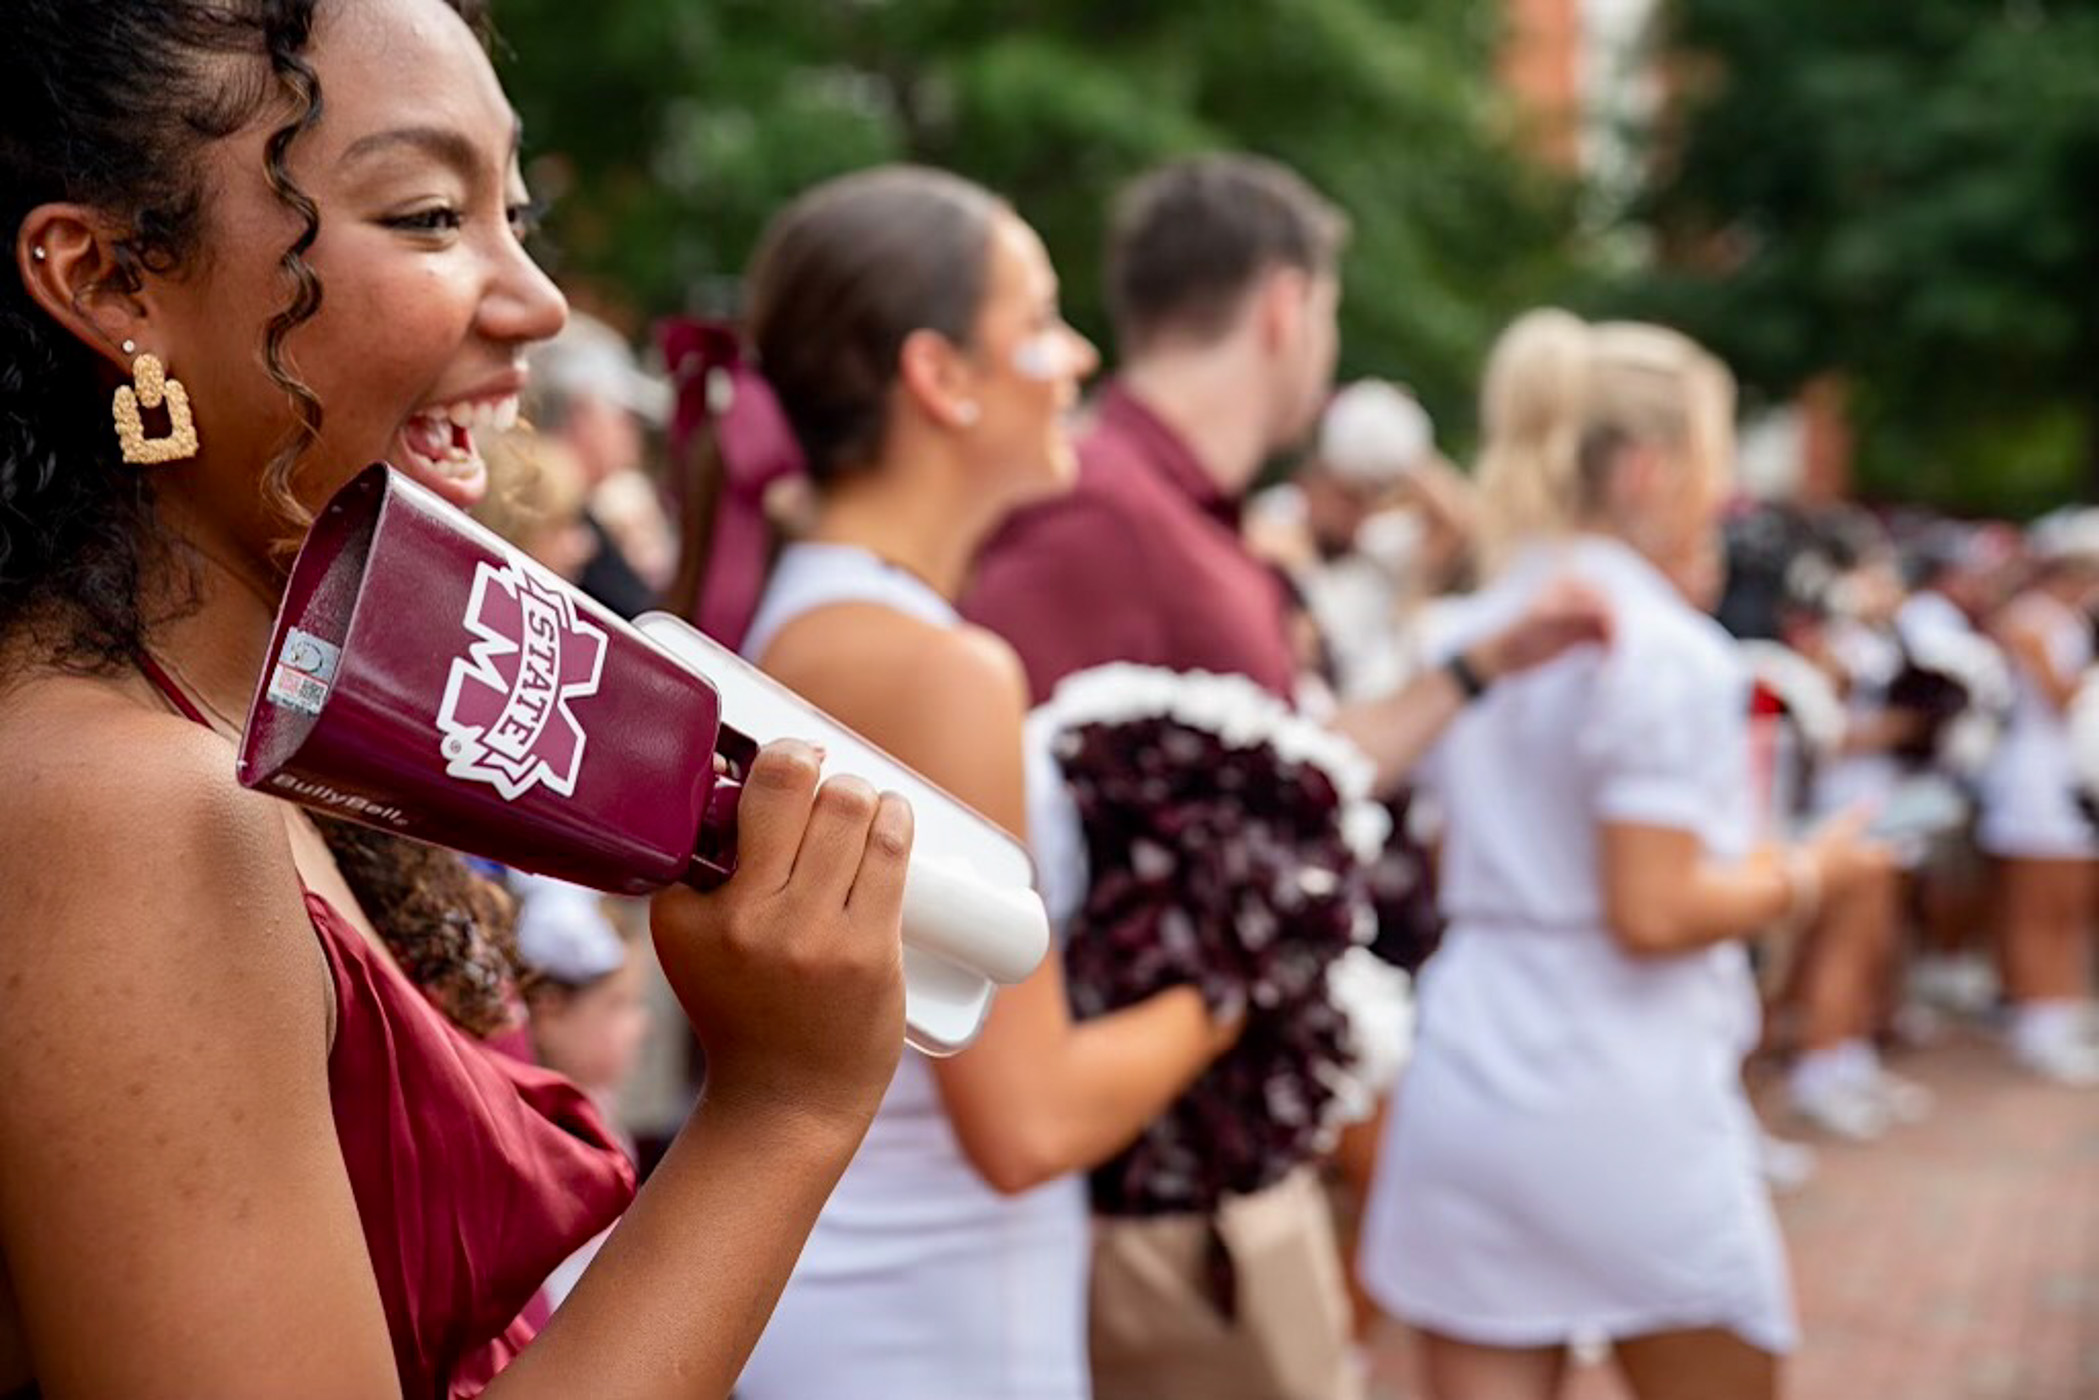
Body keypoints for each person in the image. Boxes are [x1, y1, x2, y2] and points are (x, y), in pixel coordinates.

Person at [0, 3, 912, 1395]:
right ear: (115, 281)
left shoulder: (261, 735)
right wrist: (781, 1108)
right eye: (429, 215)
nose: (538, 298)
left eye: (516, 210)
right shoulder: (119, 810)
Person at [965, 155, 1607, 1400]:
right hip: (1152, 1190)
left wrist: (1480, 667)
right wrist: (1226, 984)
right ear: (1281, 306)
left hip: (1206, 1152)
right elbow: (987, 831)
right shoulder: (1100, 512)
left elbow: (1303, 772)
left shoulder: (1180, 516)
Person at [664, 165, 1240, 1400]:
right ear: (940, 376)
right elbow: (1024, 1121)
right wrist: (1241, 979)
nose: (1076, 356)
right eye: (1036, 321)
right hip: (920, 1305)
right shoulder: (931, 665)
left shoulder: (839, 613)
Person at [1359, 310, 1885, 1400]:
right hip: (1615, 1081)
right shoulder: (1660, 648)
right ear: (1650, 469)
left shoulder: (1472, 625)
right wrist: (1807, 873)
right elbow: (1649, 907)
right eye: (1713, 458)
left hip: (1474, 1061)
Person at [1980, 511, 2099, 1083]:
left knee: (2067, 904)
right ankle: (2038, 1022)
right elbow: (2059, 696)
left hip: (2065, 776)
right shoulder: (2032, 619)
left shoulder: (2064, 619)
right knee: (2039, 906)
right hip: (2038, 779)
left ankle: (2054, 1012)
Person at [527, 310, 677, 616]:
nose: (635, 434)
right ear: (582, 415)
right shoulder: (538, 512)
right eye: (623, 415)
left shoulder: (575, 511)